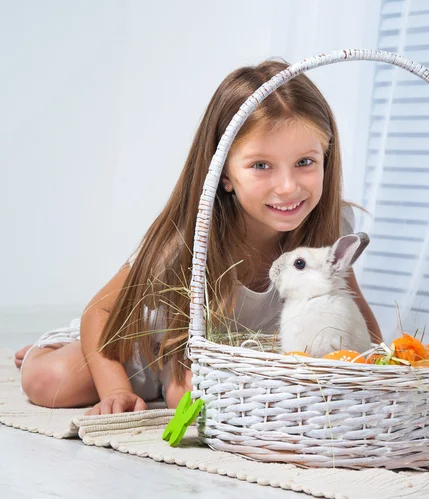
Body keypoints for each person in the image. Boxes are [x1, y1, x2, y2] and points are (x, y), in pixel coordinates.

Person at [14, 60, 382, 416]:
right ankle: (53, 349)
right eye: (260, 165)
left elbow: (353, 314)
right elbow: (101, 310)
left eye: (305, 162)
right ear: (224, 174)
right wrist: (116, 392)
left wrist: (380, 363)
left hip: (223, 357)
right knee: (50, 381)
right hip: (148, 343)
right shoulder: (185, 237)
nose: (287, 187)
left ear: (326, 157)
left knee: (198, 399)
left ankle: (158, 379)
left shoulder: (332, 224)